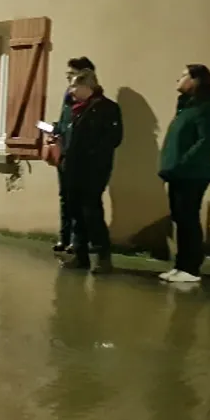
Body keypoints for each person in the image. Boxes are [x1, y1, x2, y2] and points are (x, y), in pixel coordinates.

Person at [158, 64, 210, 284]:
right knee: (179, 218)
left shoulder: (205, 108)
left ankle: (191, 268)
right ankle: (181, 265)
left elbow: (206, 141)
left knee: (188, 219)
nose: (179, 79)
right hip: (177, 173)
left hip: (192, 174)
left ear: (196, 80)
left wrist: (182, 163)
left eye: (184, 75)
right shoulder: (186, 108)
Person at [62, 69, 123, 273]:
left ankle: (102, 257)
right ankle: (80, 256)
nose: (71, 90)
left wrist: (93, 156)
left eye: (74, 86)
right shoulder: (75, 109)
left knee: (91, 212)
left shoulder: (107, 108)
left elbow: (113, 138)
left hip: (93, 170)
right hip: (72, 168)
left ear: (87, 86)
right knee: (75, 211)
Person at [50, 57, 96, 253]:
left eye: (72, 74)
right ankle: (65, 237)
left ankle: (80, 241)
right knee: (65, 197)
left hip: (81, 159)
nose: (68, 79)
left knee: (81, 201)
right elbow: (63, 121)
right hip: (64, 153)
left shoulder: (93, 102)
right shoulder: (68, 96)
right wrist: (53, 129)